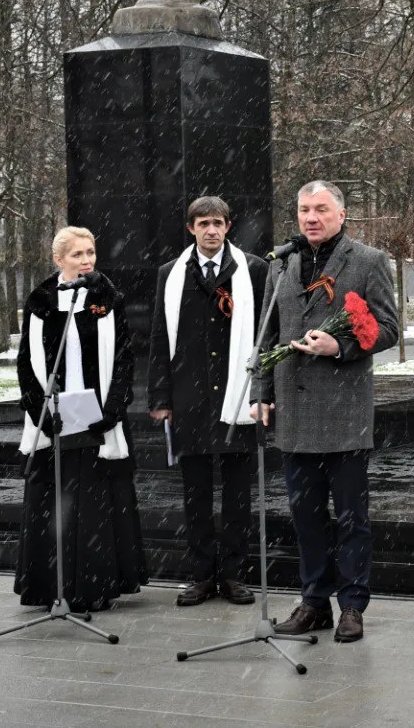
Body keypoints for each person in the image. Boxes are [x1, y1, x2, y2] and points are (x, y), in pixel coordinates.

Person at [250, 180, 399, 643]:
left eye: (320, 209)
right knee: (306, 515)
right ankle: (314, 602)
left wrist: (342, 346)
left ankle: (352, 605)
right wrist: (262, 393)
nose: (311, 218)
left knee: (351, 517)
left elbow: (389, 329)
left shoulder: (369, 261)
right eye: (303, 210)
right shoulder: (285, 263)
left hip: (344, 411)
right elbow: (267, 335)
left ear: (341, 214)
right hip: (293, 410)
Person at [15, 226, 147, 612]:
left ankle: (95, 584)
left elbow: (123, 357)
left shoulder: (107, 298)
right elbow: (27, 359)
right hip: (54, 418)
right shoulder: (40, 301)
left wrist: (113, 409)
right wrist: (38, 405)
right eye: (77, 254)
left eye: (90, 253)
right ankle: (49, 585)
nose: (87, 260)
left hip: (95, 419)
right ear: (58, 260)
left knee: (95, 502)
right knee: (53, 501)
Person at [148, 196, 268, 606]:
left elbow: (266, 336)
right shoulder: (171, 274)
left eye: (218, 223)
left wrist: (261, 391)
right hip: (190, 399)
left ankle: (234, 575)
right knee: (195, 493)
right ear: (191, 228)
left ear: (228, 227)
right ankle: (201, 574)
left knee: (237, 493)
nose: (211, 230)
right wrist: (161, 397)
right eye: (203, 224)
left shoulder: (252, 269)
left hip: (237, 396)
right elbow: (160, 338)